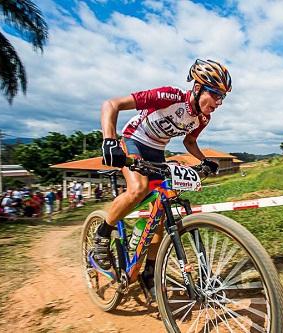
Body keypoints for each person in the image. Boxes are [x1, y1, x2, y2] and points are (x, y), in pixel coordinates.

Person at [93, 59, 230, 293]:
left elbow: (189, 141)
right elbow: (111, 104)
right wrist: (109, 140)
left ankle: (149, 271)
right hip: (133, 140)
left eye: (223, 97)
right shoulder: (169, 96)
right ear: (197, 88)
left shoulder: (203, 118)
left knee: (161, 210)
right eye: (215, 94)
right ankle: (102, 237)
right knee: (138, 189)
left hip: (156, 151)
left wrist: (203, 160)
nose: (218, 102)